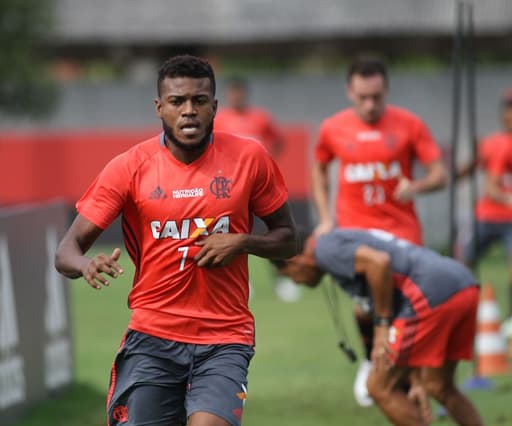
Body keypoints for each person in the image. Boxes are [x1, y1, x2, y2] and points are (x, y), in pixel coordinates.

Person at [55, 55, 297, 426]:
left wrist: (242, 242)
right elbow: (65, 252)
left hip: (225, 336)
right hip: (152, 338)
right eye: (177, 102)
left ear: (215, 106)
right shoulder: (129, 167)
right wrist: (87, 264)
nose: (189, 111)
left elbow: (287, 238)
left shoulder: (251, 158)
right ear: (159, 107)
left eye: (199, 101)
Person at [311, 56, 448, 406]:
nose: (370, 105)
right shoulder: (332, 128)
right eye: (362, 97)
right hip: (357, 233)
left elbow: (440, 175)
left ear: (386, 90)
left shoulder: (409, 125)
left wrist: (416, 186)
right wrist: (326, 217)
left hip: (402, 233)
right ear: (349, 92)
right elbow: (318, 167)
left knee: (412, 311)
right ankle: (372, 363)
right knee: (362, 308)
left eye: (376, 97)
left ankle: (419, 386)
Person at [272, 228, 483, 426]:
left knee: (379, 386)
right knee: (438, 386)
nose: (297, 282)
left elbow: (379, 263)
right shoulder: (336, 241)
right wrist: (416, 381)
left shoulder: (324, 250)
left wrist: (381, 328)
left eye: (289, 276)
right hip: (462, 285)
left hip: (429, 293)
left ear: (294, 260)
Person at [214, 77, 299, 302]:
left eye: (239, 93)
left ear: (245, 94)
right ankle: (243, 284)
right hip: (231, 189)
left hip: (259, 187)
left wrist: (267, 163)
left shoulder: (260, 118)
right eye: (233, 93)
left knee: (273, 231)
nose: (236, 97)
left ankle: (283, 278)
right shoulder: (220, 120)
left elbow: (278, 141)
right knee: (233, 234)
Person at [457, 88, 512, 331]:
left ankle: (510, 322)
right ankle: (457, 313)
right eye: (508, 110)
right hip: (486, 216)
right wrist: (472, 155)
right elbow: (469, 177)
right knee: (461, 264)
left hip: (510, 220)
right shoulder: (492, 143)